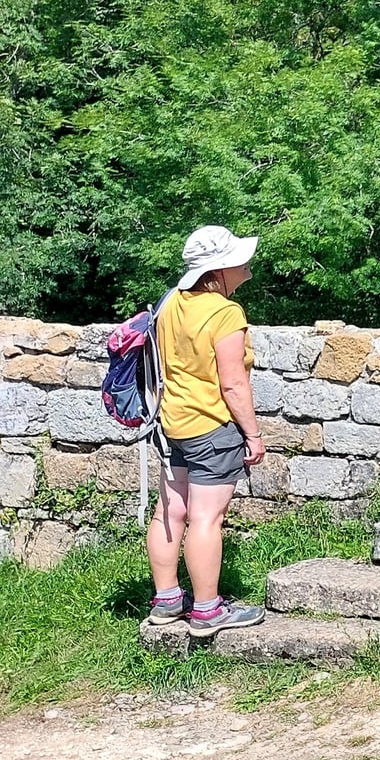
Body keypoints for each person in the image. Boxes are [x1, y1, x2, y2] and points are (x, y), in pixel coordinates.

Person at [147, 226, 268, 636]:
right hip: (212, 427)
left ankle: (166, 600)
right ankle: (207, 610)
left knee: (169, 511)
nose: (246, 265)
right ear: (217, 272)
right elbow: (233, 383)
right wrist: (253, 435)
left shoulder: (171, 303)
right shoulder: (225, 313)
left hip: (171, 422)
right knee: (206, 517)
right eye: (238, 260)